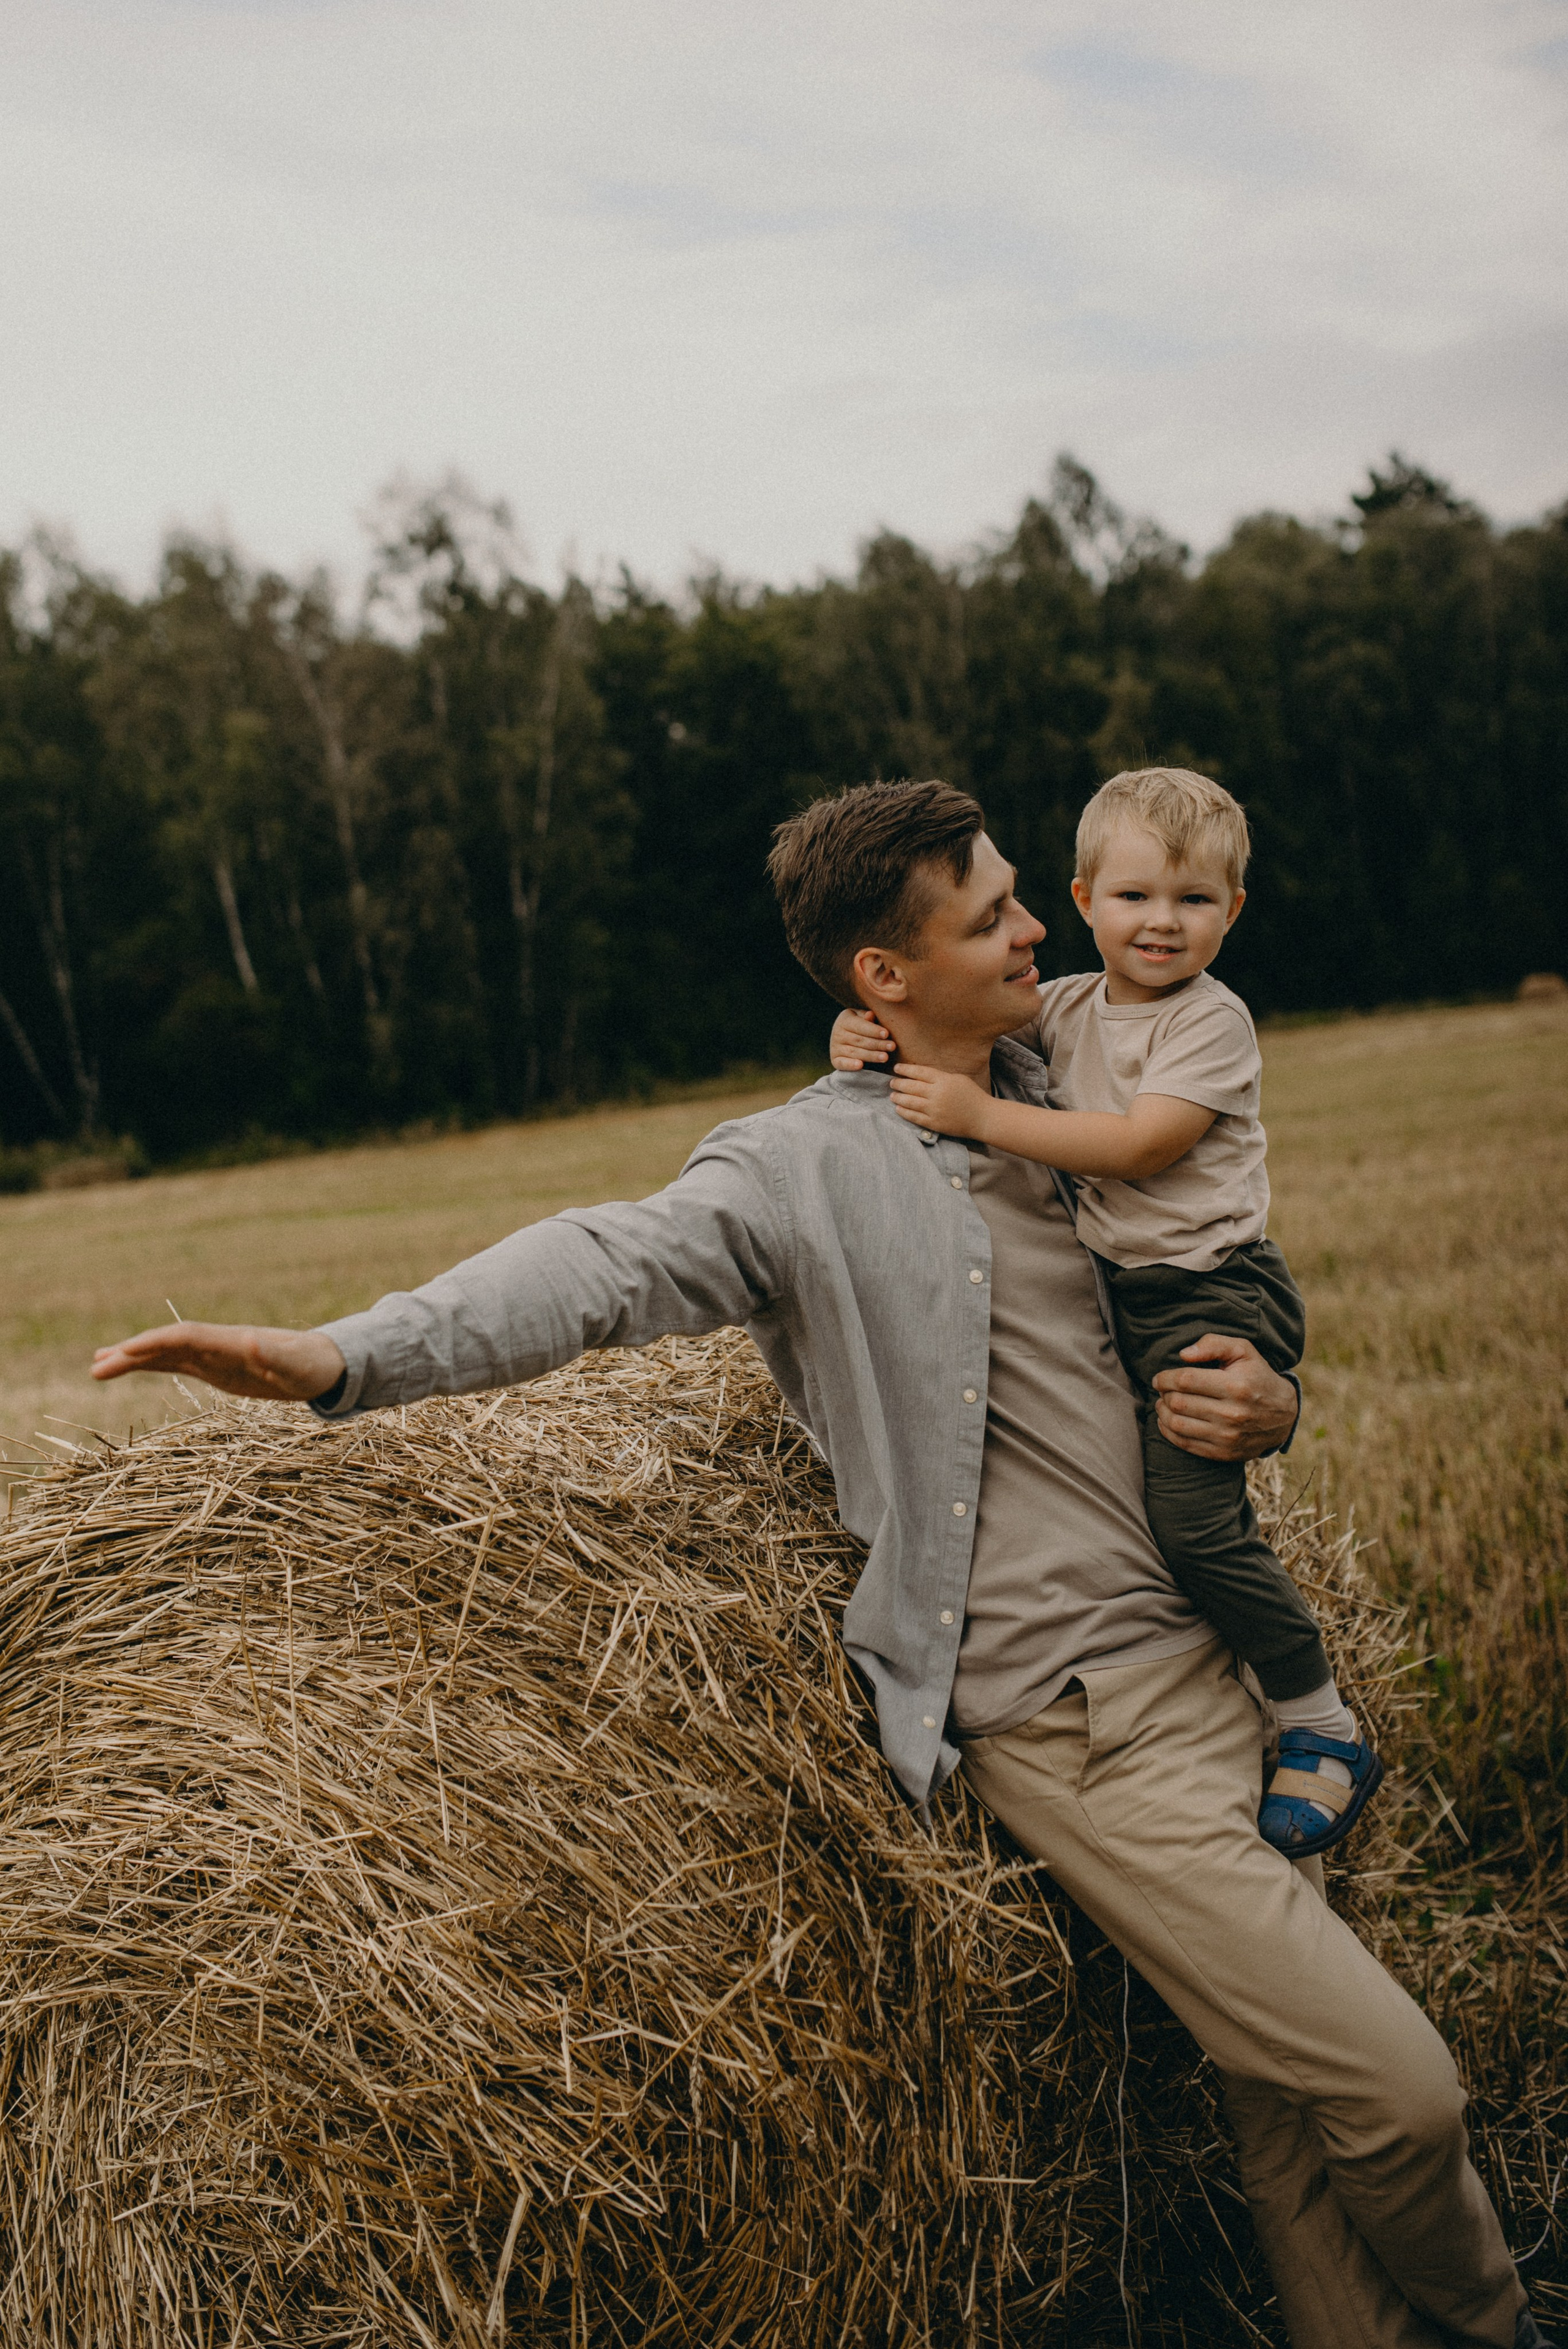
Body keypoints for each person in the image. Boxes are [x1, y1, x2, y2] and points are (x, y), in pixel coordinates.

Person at [92, 779, 1547, 2349]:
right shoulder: (798, 1169)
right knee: (1396, 2090)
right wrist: (338, 1355)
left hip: (1220, 1655)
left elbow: (1222, 1261)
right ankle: (1498, 2323)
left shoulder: (1078, 1067)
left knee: (1287, 2109)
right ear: (881, 976)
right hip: (1071, 1717)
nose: (1036, 923)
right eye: (992, 911)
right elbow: (597, 1262)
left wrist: (1272, 1396)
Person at [827, 766, 1379, 1860]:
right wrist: (863, 1036)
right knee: (1126, 1513)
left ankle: (1318, 1717)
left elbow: (1136, 1148)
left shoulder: (1210, 1026)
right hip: (1126, 1292)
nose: (1163, 924)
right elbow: (952, 1038)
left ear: (1234, 913)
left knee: (1189, 1524)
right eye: (1135, 898)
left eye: (1195, 900)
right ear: (1083, 902)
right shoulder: (1070, 1007)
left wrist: (981, 1119)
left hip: (1210, 1295)